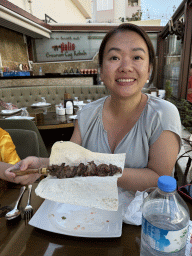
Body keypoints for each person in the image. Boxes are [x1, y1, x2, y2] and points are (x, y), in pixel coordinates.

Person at [4, 23, 181, 192]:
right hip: (90, 215)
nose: (126, 67)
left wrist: (93, 170)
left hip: (143, 219)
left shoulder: (163, 114)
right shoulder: (87, 114)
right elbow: (69, 160)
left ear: (149, 69)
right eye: (114, 58)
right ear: (101, 71)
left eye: (137, 57)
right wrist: (40, 164)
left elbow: (158, 178)